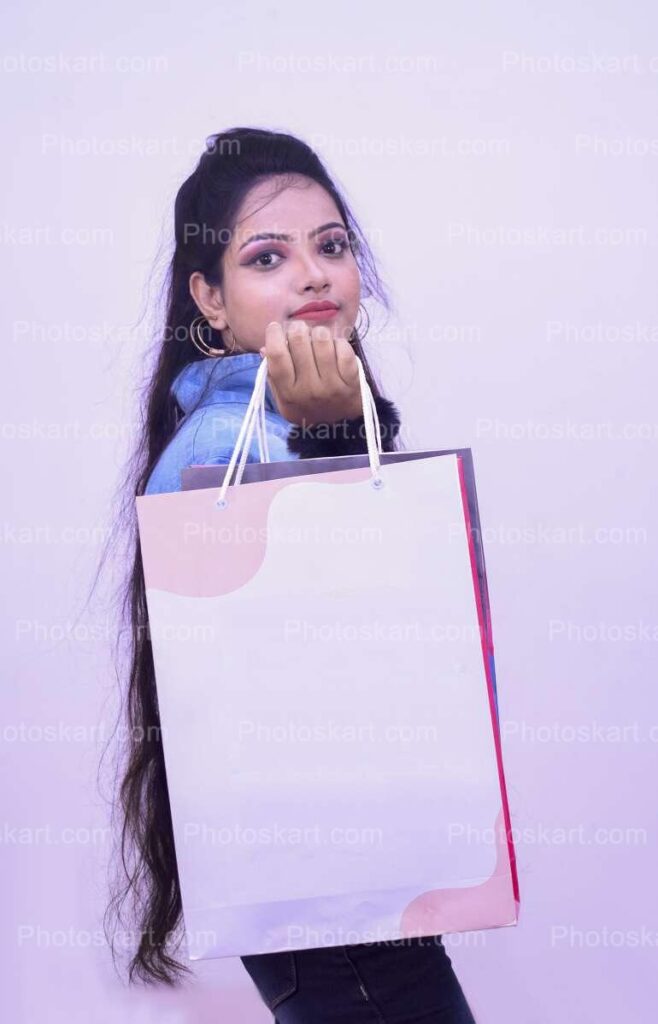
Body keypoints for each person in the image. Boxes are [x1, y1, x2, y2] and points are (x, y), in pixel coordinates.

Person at [105, 127, 477, 1023]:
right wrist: (329, 445)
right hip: (335, 900)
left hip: (356, 884)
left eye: (333, 246)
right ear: (212, 301)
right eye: (269, 256)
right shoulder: (223, 448)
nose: (315, 276)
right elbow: (298, 667)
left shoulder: (273, 423)